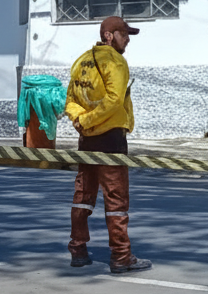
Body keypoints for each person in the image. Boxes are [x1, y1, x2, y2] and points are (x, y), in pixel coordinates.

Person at [63, 16, 152, 275]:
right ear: (109, 35)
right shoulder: (116, 61)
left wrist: (81, 122)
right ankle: (121, 256)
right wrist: (90, 120)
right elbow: (114, 100)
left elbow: (70, 99)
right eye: (124, 35)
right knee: (116, 200)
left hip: (86, 139)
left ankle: (78, 250)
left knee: (83, 196)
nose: (127, 40)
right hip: (111, 139)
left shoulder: (81, 61)